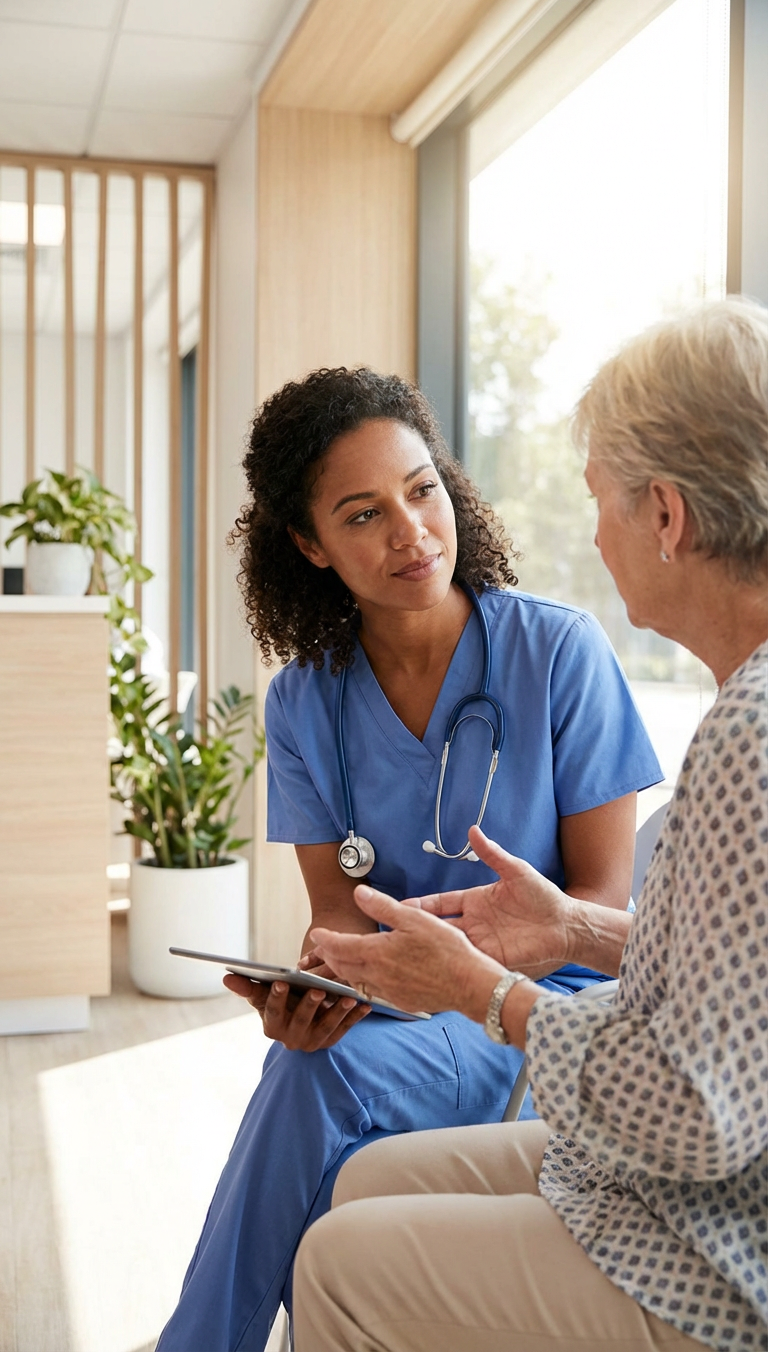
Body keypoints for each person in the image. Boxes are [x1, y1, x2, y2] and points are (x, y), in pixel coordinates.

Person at [155, 367, 662, 1352]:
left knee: (320, 1088)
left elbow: (604, 902)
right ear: (309, 544)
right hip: (393, 1013)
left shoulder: (559, 654)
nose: (411, 533)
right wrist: (315, 988)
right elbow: (344, 918)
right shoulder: (304, 704)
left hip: (530, 1003)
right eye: (363, 513)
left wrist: (470, 974)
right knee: (320, 1090)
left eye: (422, 490)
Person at [298, 298, 768, 1352]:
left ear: (668, 517)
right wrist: (575, 931)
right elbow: (741, 987)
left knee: (337, 1259)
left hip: (719, 1249)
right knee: (363, 1176)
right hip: (696, 1180)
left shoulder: (748, 739)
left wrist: (488, 992)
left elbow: (699, 1115)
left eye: (600, 498)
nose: (592, 531)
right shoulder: (745, 711)